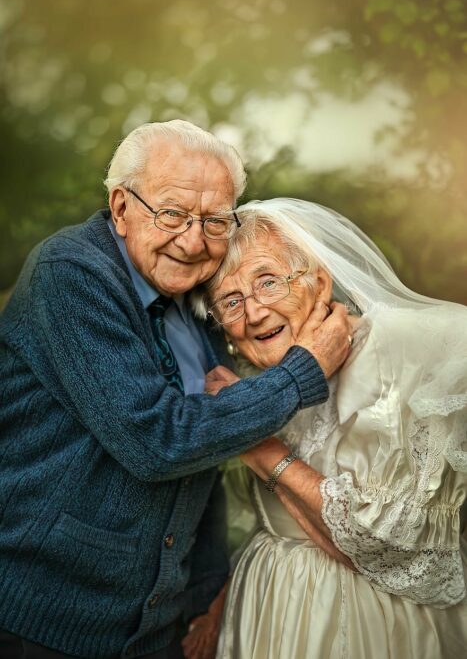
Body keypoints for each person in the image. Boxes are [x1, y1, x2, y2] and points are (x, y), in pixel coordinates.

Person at [0, 123, 351, 659]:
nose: (192, 242)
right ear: (120, 208)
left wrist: (207, 598)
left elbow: (201, 464)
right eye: (173, 214)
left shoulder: (197, 300)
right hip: (47, 620)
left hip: (156, 629)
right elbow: (158, 442)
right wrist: (303, 371)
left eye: (214, 221)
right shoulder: (70, 274)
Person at [192, 197, 467, 659]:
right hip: (266, 616)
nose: (254, 313)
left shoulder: (401, 352)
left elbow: (401, 553)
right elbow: (269, 524)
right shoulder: (260, 385)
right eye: (231, 301)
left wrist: (255, 444)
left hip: (371, 626)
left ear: (320, 283)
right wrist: (221, 606)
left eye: (268, 282)